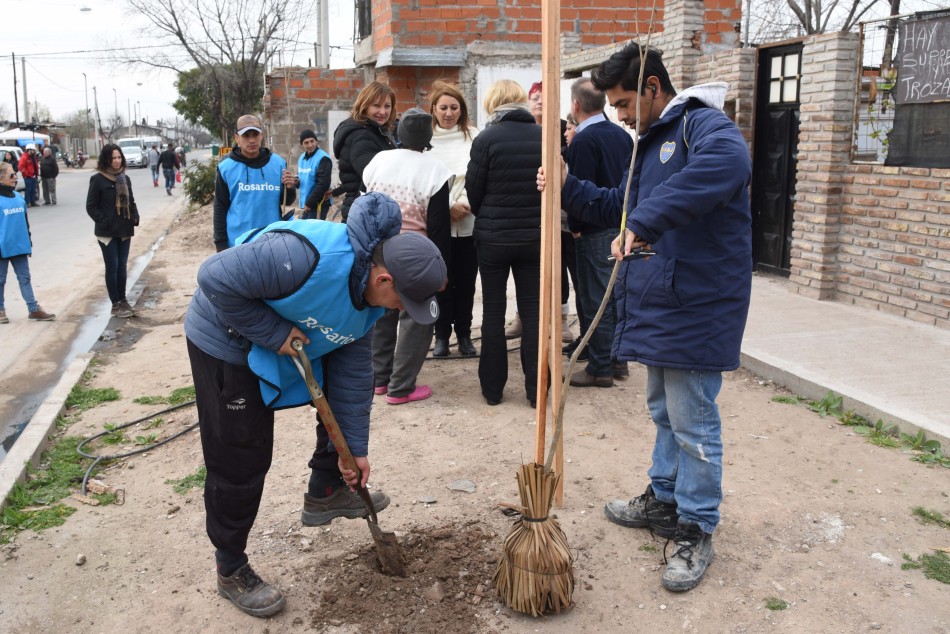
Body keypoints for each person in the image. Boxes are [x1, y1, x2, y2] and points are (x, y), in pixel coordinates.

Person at [538, 44, 752, 592]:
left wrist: (649, 219)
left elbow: (728, 166)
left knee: (693, 418)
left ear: (654, 88)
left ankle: (696, 525)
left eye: (625, 102)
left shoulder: (704, 127)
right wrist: (567, 185)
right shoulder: (649, 143)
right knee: (663, 407)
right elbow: (620, 204)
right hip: (665, 299)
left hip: (699, 302)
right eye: (612, 106)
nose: (620, 115)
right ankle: (663, 496)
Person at [183, 192, 446, 617]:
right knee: (242, 458)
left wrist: (354, 451)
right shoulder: (298, 257)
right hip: (226, 339)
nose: (401, 311)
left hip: (295, 333)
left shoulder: (369, 299)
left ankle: (326, 492)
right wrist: (271, 332)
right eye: (403, 302)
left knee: (338, 407)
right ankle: (230, 566)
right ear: (384, 281)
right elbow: (212, 277)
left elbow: (353, 380)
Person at [362, 108, 451, 404]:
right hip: (414, 254)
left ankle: (378, 379)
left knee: (381, 310)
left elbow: (365, 202)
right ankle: (401, 387)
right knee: (418, 317)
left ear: (399, 133)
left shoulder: (378, 160)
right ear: (428, 135)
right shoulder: (435, 170)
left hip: (378, 249)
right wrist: (441, 271)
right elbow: (439, 227)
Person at [465, 79, 543, 408]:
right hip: (534, 237)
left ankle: (493, 390)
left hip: (494, 238)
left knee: (494, 314)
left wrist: (490, 215)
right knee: (534, 315)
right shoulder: (543, 136)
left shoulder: (485, 139)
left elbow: (473, 191)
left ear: (493, 104)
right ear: (522, 102)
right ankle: (537, 390)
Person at [564, 77, 633, 389]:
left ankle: (600, 366)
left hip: (594, 230)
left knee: (595, 300)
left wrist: (577, 230)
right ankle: (618, 359)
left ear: (575, 106)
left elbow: (578, 190)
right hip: (620, 225)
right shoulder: (622, 136)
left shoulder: (581, 141)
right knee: (615, 296)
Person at [508, 81, 576, 344]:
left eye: (543, 98)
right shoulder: (521, 128)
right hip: (525, 209)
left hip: (557, 209)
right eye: (534, 97)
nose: (538, 102)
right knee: (526, 267)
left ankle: (561, 319)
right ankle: (522, 317)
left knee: (557, 267)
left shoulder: (561, 129)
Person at [428, 81, 480, 359]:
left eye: (454, 107)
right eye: (443, 107)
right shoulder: (426, 139)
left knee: (466, 281)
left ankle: (464, 334)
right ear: (434, 110)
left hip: (469, 221)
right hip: (439, 223)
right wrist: (447, 206)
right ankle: (441, 336)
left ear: (462, 110)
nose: (449, 113)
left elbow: (482, 174)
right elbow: (423, 178)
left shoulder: (474, 136)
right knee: (441, 281)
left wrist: (467, 204)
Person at [213, 114, 296, 251]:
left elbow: (286, 201)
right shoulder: (226, 168)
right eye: (246, 135)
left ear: (261, 136)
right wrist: (220, 245)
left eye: (255, 134)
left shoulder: (279, 164)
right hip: (238, 244)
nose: (251, 140)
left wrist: (290, 187)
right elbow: (220, 208)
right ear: (237, 139)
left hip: (271, 241)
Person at [85, 144, 140, 319]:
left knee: (123, 267)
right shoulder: (98, 179)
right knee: (113, 267)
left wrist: (135, 216)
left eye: (118, 157)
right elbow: (91, 206)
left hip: (124, 229)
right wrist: (105, 221)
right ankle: (115, 304)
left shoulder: (125, 178)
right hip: (107, 232)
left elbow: (130, 201)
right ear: (106, 159)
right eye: (113, 158)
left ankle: (123, 300)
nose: (116, 161)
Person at [332, 81, 397, 222]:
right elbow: (377, 177)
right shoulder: (361, 136)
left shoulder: (379, 131)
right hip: (364, 214)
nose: (383, 112)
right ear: (364, 106)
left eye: (387, 106)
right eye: (376, 106)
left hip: (368, 210)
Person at [0, 163, 55, 324]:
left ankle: (33, 309)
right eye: (11, 175)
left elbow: (25, 223)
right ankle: (0, 310)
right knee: (0, 280)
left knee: (25, 278)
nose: (15, 177)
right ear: (1, 178)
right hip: (2, 248)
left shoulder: (18, 198)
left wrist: (28, 242)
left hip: (19, 246)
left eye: (15, 174)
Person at [294, 129, 332, 220]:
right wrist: (296, 181)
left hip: (318, 203)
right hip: (307, 204)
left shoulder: (323, 158)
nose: (310, 145)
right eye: (306, 143)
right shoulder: (301, 158)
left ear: (316, 141)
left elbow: (323, 184)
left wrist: (309, 203)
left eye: (312, 141)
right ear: (302, 145)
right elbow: (302, 178)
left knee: (312, 233)